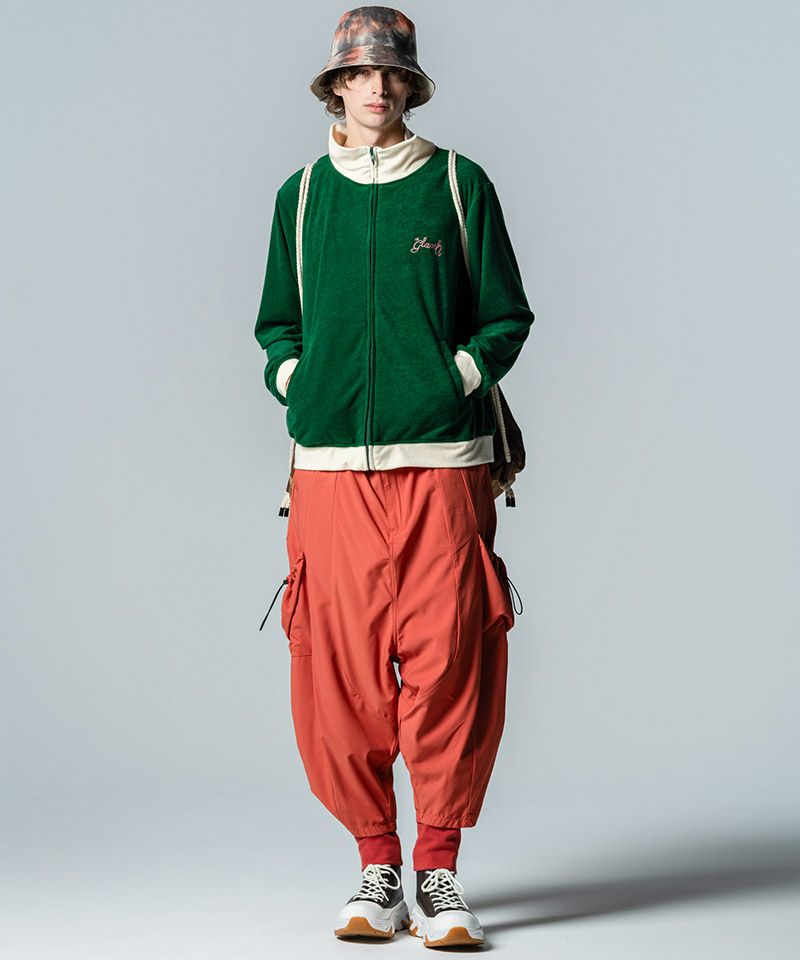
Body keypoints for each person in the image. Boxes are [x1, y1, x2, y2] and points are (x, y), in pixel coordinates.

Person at [254, 5, 534, 948]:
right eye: (360, 74)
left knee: (452, 658)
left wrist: (457, 379)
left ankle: (439, 872)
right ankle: (376, 867)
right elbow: (276, 325)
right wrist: (296, 382)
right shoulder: (301, 197)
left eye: (392, 74)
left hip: (444, 465)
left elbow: (505, 315)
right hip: (330, 469)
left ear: (410, 85)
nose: (376, 89)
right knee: (338, 670)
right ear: (335, 86)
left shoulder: (457, 183)